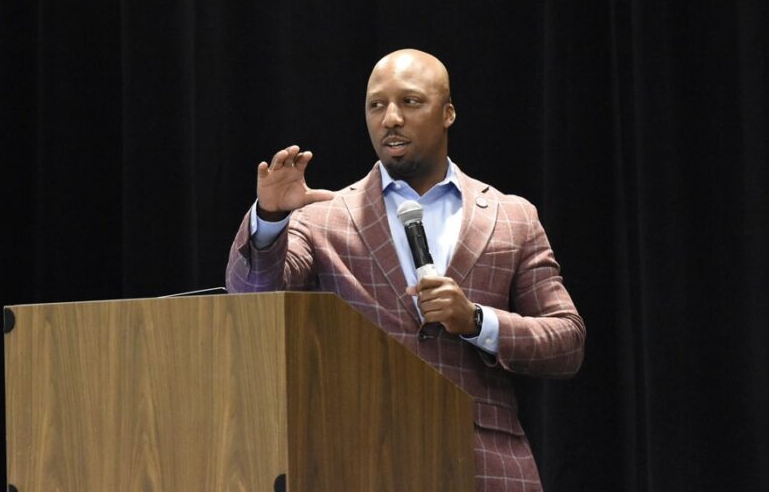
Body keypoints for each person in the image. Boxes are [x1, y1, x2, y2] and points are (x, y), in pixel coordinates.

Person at [226, 49, 585, 492]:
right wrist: (271, 219)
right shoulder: (324, 217)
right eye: (376, 105)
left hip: (486, 467)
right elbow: (250, 298)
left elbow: (566, 342)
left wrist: (476, 321)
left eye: (410, 102)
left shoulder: (512, 217)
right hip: (356, 463)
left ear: (448, 112)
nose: (390, 118)